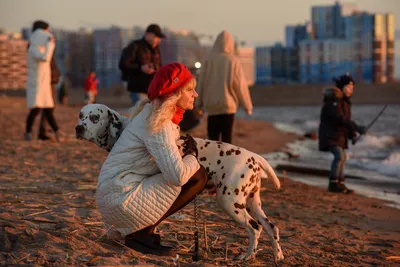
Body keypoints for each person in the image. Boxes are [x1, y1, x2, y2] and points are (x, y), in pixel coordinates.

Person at [96, 63, 208, 256]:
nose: (195, 94)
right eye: (190, 89)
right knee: (198, 176)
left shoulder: (154, 114)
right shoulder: (160, 124)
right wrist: (192, 156)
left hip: (115, 194)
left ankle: (140, 230)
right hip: (120, 198)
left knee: (190, 171)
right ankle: (140, 233)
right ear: (174, 94)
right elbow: (177, 176)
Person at [195, 30, 253, 144]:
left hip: (211, 106)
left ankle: (213, 160)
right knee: (226, 140)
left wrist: (198, 104)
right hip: (228, 106)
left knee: (212, 140)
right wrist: (247, 106)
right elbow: (240, 85)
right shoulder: (233, 60)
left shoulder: (208, 59)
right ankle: (226, 161)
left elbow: (201, 82)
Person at [318, 74, 366, 194]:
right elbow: (339, 118)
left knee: (342, 158)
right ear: (342, 87)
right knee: (339, 157)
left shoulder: (345, 102)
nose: (351, 90)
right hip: (330, 135)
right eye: (349, 87)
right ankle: (333, 184)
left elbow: (345, 120)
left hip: (339, 136)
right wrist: (357, 127)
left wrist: (351, 134)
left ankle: (340, 183)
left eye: (352, 88)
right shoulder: (334, 101)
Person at [25, 20, 61, 141]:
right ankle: (28, 132)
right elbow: (45, 58)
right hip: (37, 83)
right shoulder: (33, 49)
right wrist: (50, 45)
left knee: (49, 108)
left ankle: (57, 132)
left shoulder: (39, 48)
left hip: (44, 82)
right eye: (46, 31)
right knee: (36, 108)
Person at [118, 24, 165, 106]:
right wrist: (141, 68)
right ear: (147, 35)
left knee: (151, 116)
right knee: (141, 114)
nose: (158, 40)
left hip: (153, 91)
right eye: (156, 37)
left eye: (159, 38)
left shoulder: (156, 50)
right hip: (138, 89)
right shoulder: (135, 46)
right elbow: (123, 64)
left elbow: (160, 67)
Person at [37, 41, 60, 140]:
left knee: (48, 108)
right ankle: (48, 130)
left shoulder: (48, 55)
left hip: (50, 83)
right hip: (48, 84)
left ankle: (45, 130)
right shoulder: (45, 55)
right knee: (48, 108)